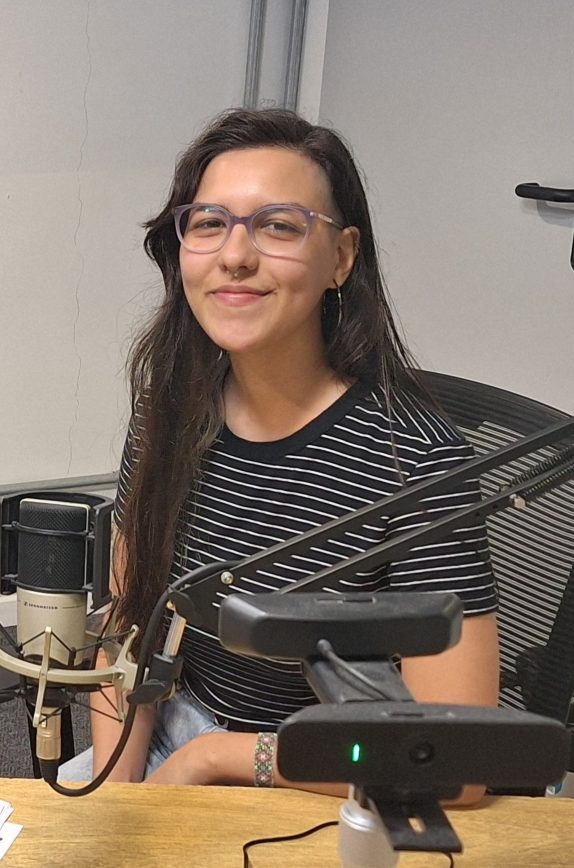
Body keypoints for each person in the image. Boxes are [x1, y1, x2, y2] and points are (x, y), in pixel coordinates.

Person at [58, 108, 499, 803]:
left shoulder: (416, 463)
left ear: (341, 258)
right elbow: (128, 629)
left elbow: (455, 762)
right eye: (209, 223)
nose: (235, 255)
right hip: (181, 730)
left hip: (331, 770)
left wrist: (217, 759)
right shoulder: (167, 412)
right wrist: (122, 797)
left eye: (279, 226)